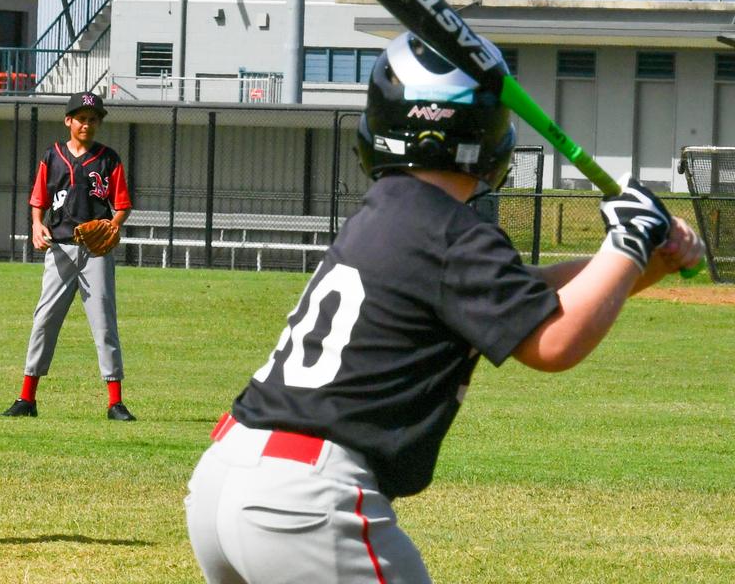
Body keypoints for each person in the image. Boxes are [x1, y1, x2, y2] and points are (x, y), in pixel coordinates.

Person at [184, 33, 704, 584]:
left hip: (229, 473)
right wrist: (626, 240)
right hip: (305, 499)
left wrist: (643, 261)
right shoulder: (453, 232)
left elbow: (521, 297)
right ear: (489, 131)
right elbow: (554, 340)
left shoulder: (397, 214)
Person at [1, 92, 137, 421]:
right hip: (60, 248)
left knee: (104, 322)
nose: (87, 124)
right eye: (81, 118)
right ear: (68, 121)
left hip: (96, 253)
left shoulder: (109, 159)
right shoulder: (53, 156)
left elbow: (122, 205)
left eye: (93, 119)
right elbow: (39, 199)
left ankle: (115, 402)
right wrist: (36, 225)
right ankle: (26, 398)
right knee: (44, 320)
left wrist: (112, 225)